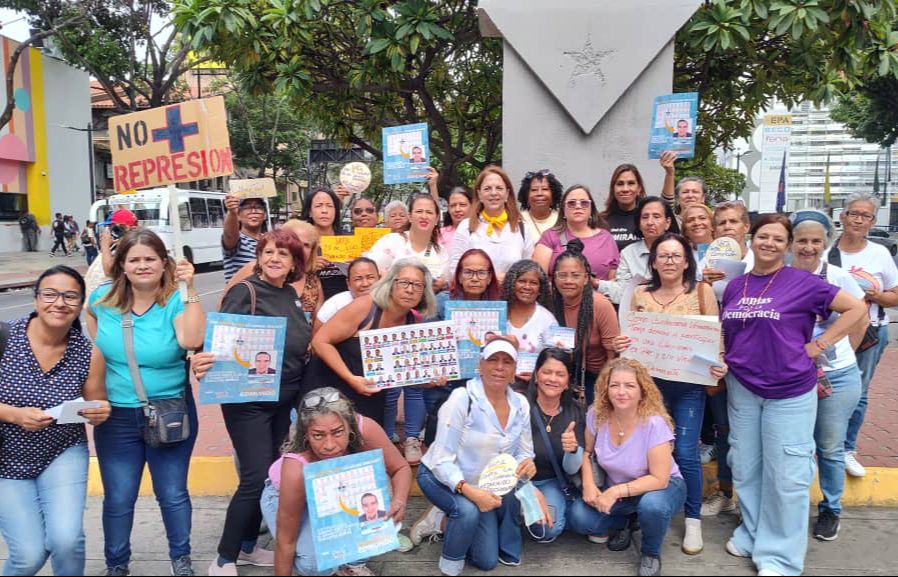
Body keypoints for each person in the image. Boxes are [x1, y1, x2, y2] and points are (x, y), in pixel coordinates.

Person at [719, 214, 866, 576]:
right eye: (763, 236)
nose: (769, 243)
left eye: (778, 239)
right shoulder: (736, 286)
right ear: (751, 240)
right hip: (743, 387)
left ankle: (780, 558)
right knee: (747, 467)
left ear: (786, 246)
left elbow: (857, 308)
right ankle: (753, 533)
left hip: (789, 390)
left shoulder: (804, 282)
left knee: (787, 473)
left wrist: (820, 344)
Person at [86, 229, 206, 577]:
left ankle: (180, 559)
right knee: (119, 497)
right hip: (117, 416)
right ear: (121, 265)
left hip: (169, 411)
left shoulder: (176, 300)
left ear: (163, 263)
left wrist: (192, 291)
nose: (142, 266)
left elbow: (192, 338)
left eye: (150, 259)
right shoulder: (101, 300)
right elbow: (94, 329)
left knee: (172, 493)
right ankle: (116, 563)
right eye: (134, 259)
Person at [203, 229, 314, 576]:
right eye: (268, 252)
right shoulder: (246, 290)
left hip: (283, 402)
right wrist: (201, 360)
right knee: (253, 478)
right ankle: (223, 557)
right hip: (248, 401)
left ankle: (249, 547)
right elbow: (220, 341)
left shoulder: (292, 298)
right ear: (259, 257)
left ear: (295, 261)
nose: (275, 258)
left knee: (269, 475)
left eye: (284, 253)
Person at [613, 232, 726, 556]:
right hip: (649, 387)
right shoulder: (641, 294)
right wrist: (622, 344)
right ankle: (633, 513)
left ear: (687, 260)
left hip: (689, 387)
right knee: (641, 450)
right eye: (663, 255)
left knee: (686, 452)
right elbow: (631, 337)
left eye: (677, 255)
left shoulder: (702, 291)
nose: (670, 261)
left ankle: (692, 520)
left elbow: (714, 336)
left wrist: (719, 364)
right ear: (653, 261)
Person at [0, 266, 111, 576]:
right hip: (5, 459)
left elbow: (96, 401)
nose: (59, 303)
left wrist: (100, 410)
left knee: (66, 540)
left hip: (61, 451)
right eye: (50, 294)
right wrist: (14, 414)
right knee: (28, 555)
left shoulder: (88, 352)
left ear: (80, 304)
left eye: (70, 296)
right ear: (36, 299)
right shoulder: (5, 338)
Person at [414, 338, 547, 576]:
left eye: (507, 362)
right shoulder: (461, 399)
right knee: (467, 512)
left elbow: (524, 451)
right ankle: (442, 536)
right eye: (493, 360)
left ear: (515, 370)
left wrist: (527, 465)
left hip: (486, 483)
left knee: (486, 561)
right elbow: (442, 460)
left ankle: (449, 519)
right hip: (440, 476)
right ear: (480, 365)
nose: (499, 367)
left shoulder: (520, 404)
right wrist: (469, 491)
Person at [250, 387, 411, 576]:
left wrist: (398, 501)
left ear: (350, 426)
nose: (329, 445)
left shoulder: (366, 428)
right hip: (288, 496)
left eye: (337, 432)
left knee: (373, 526)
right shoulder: (295, 468)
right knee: (316, 564)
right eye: (318, 435)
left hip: (339, 488)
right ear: (306, 435)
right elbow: (286, 539)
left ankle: (352, 564)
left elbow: (400, 468)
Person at [790, 209, 868, 541]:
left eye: (815, 241)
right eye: (802, 240)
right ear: (792, 243)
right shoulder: (782, 275)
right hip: (794, 377)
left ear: (825, 243)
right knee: (796, 445)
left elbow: (860, 317)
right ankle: (791, 509)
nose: (808, 247)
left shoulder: (837, 277)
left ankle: (830, 509)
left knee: (830, 446)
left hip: (836, 376)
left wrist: (825, 348)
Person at [579, 358, 687, 577]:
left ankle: (650, 553)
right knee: (579, 517)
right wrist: (588, 484)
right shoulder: (596, 414)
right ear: (605, 389)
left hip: (662, 486)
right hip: (619, 489)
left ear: (642, 391)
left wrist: (615, 491)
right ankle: (626, 521)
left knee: (652, 506)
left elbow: (659, 479)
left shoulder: (654, 423)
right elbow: (587, 452)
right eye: (614, 385)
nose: (621, 392)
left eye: (629, 386)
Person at [310, 259, 439, 425]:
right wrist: (351, 378)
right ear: (390, 284)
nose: (410, 290)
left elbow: (402, 371)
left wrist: (427, 381)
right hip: (329, 392)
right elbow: (320, 341)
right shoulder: (365, 306)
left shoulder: (412, 321)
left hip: (371, 396)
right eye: (404, 282)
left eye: (417, 285)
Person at [833, 192, 898, 478]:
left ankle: (847, 448)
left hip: (871, 331)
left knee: (858, 392)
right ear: (842, 217)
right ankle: (823, 446)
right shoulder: (826, 251)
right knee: (822, 389)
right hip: (830, 331)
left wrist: (877, 295)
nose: (858, 220)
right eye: (853, 214)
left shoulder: (879, 254)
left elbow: (894, 296)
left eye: (865, 215)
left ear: (872, 221)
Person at [524, 348, 605, 544]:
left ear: (568, 381)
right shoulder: (520, 406)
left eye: (560, 374)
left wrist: (572, 450)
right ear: (536, 375)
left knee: (547, 530)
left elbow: (570, 468)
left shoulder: (575, 412)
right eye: (546, 372)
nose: (553, 379)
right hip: (519, 482)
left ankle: (563, 510)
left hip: (551, 481)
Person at [551, 239, 619, 405]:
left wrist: (603, 389)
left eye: (575, 275)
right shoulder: (551, 303)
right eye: (562, 275)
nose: (568, 281)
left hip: (597, 376)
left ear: (586, 279)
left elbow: (613, 356)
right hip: (562, 372)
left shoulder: (600, 305)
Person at [224, 220, 324, 324]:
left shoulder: (311, 282)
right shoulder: (254, 271)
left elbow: (317, 322)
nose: (300, 248)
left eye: (306, 245)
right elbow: (225, 315)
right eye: (296, 241)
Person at [448, 165, 535, 283]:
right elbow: (454, 269)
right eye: (487, 188)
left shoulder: (522, 229)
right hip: (477, 299)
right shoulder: (466, 227)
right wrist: (488, 281)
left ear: (507, 193)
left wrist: (508, 280)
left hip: (511, 298)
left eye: (499, 188)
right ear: (479, 194)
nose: (493, 193)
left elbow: (528, 270)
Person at [534, 184, 619, 280]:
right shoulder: (549, 237)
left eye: (584, 203)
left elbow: (614, 281)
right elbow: (539, 280)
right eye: (571, 203)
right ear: (563, 210)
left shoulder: (605, 237)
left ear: (591, 209)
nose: (578, 206)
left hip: (600, 294)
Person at [598, 196, 674, 304]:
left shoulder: (680, 249)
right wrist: (596, 283)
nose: (650, 222)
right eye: (645, 217)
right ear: (638, 223)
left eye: (656, 216)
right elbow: (622, 293)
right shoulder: (628, 253)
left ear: (667, 222)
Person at [367, 194, 448, 290]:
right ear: (409, 217)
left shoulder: (440, 252)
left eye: (429, 212)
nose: (424, 216)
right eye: (419, 211)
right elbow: (369, 270)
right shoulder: (391, 241)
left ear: (436, 219)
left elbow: (445, 280)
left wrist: (441, 284)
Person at [503, 260, 557, 378]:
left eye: (533, 283)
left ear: (540, 289)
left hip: (533, 388)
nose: (527, 287)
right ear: (512, 283)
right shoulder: (498, 314)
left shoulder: (547, 320)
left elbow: (555, 358)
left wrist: (537, 375)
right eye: (522, 281)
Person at [303, 187, 347, 300]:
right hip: (313, 304)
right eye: (318, 206)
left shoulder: (348, 239)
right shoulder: (301, 242)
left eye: (329, 205)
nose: (324, 210)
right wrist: (308, 267)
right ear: (309, 212)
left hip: (346, 303)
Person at [86, 208, 140, 301]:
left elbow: (110, 271)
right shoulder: (116, 245)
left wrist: (105, 245)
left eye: (111, 227)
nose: (107, 231)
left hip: (113, 303)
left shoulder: (131, 246)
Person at [315, 257, 381, 329]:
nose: (365, 284)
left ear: (380, 279)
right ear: (348, 283)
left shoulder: (390, 302)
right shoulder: (335, 305)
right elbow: (317, 337)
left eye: (370, 277)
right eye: (358, 279)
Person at [222, 195, 268, 283]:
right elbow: (230, 235)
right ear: (238, 215)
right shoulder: (237, 239)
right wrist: (232, 212)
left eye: (258, 207)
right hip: (242, 296)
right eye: (247, 207)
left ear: (265, 215)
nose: (253, 211)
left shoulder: (270, 241)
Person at [518, 169, 562, 243]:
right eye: (534, 190)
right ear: (526, 196)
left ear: (553, 195)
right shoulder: (518, 219)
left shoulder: (562, 218)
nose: (539, 193)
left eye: (545, 189)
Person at [439, 186, 473, 250]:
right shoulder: (440, 234)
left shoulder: (481, 232)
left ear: (472, 206)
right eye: (453, 205)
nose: (457, 209)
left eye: (462, 205)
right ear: (448, 208)